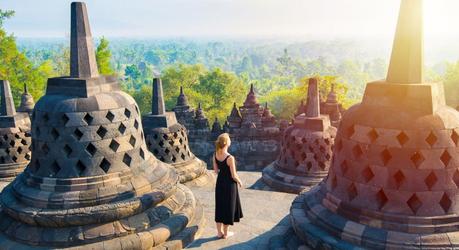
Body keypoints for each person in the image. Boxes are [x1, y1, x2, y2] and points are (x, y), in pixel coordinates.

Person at [213, 133, 243, 239]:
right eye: (229, 139)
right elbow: (234, 175)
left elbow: (216, 171)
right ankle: (225, 234)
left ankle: (219, 232)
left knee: (220, 207)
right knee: (228, 207)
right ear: (227, 143)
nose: (230, 140)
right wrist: (239, 181)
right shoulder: (230, 158)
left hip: (220, 183)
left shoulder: (216, 154)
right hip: (229, 185)